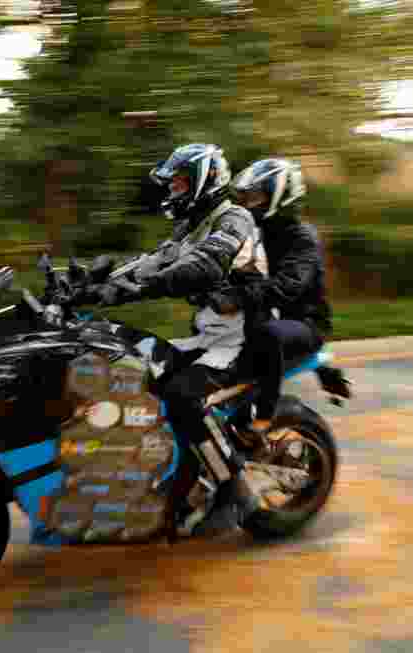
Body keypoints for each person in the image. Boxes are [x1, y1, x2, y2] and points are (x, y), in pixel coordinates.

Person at [88, 143, 268, 533]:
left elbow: (202, 265)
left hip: (244, 339)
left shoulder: (234, 219)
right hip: (210, 336)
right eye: (172, 186)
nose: (173, 193)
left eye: (180, 185)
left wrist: (140, 289)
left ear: (205, 181)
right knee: (131, 364)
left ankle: (236, 490)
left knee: (183, 395)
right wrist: (88, 284)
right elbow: (149, 263)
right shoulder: (192, 226)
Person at [228, 157, 332, 433]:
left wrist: (240, 295)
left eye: (257, 197)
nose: (249, 204)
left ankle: (265, 414)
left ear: (281, 198)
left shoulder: (302, 239)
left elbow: (287, 286)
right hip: (274, 316)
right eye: (247, 197)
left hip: (308, 325)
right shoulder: (259, 233)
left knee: (267, 334)